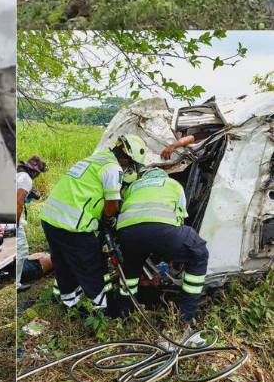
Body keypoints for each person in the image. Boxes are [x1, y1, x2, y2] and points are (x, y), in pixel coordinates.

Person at [39, 135, 146, 314]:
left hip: (50, 218)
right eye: (130, 165)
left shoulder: (94, 159)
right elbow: (112, 205)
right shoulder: (113, 168)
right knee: (91, 265)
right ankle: (103, 310)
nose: (128, 169)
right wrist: (107, 220)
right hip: (73, 225)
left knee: (63, 263)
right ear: (126, 158)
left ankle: (69, 305)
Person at [116, 167, 209, 323]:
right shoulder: (173, 184)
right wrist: (172, 255)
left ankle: (125, 313)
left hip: (127, 232)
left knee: (130, 268)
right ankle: (185, 315)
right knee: (198, 253)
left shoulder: (133, 186)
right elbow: (181, 218)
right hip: (163, 230)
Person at [17, 155, 48, 290]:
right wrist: (16, 223)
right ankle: (16, 284)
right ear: (34, 171)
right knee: (21, 249)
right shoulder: (26, 179)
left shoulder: (18, 174)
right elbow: (18, 202)